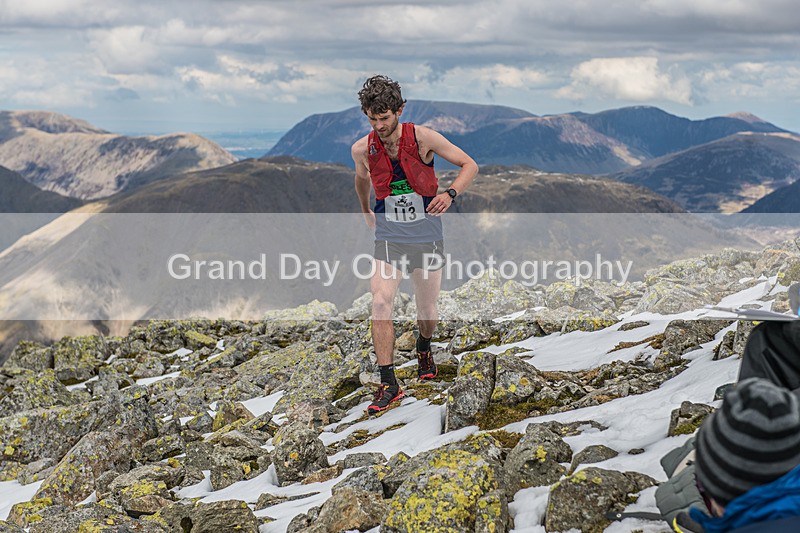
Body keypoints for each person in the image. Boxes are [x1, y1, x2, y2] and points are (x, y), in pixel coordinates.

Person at [351, 75, 478, 415]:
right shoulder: (362, 149)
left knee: (427, 313)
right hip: (389, 236)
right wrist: (365, 208)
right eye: (373, 119)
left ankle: (424, 345)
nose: (379, 125)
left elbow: (470, 165)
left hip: (426, 235)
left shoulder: (423, 138)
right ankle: (388, 383)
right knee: (380, 302)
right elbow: (361, 178)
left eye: (385, 118)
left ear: (399, 110)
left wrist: (450, 194)